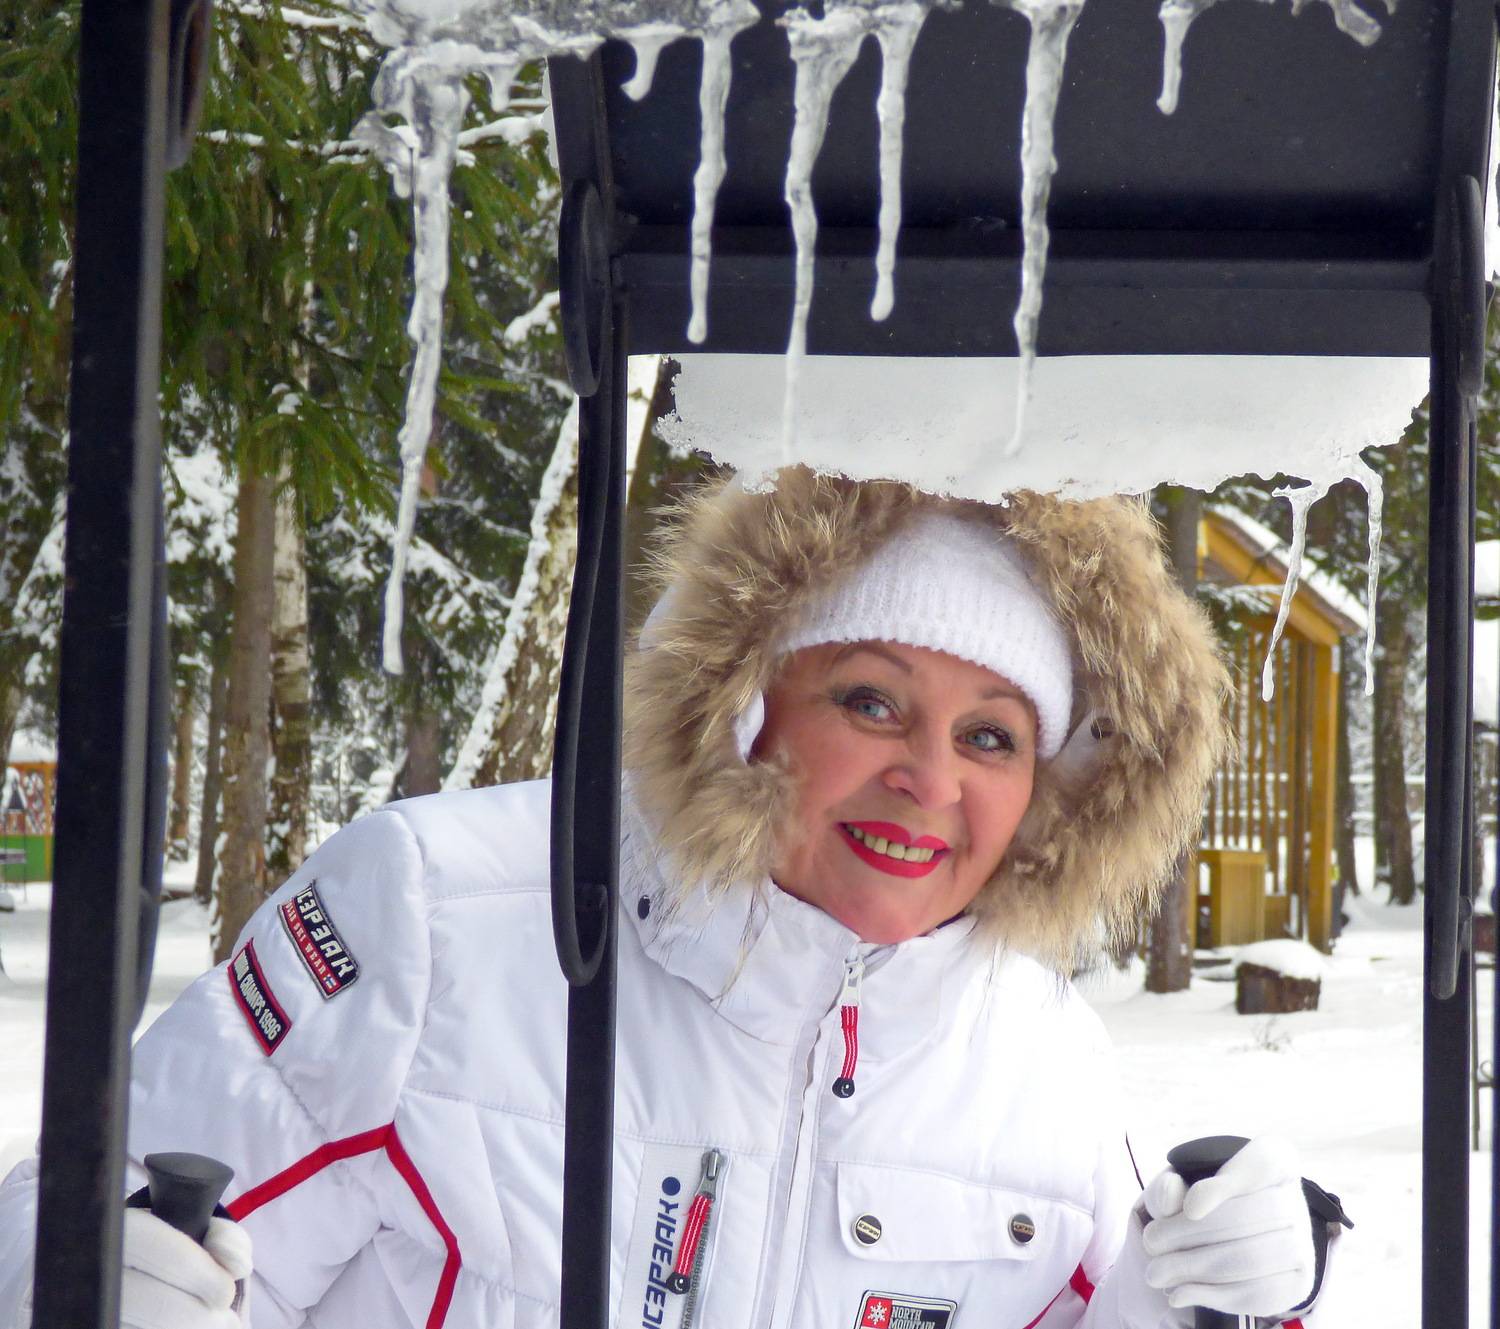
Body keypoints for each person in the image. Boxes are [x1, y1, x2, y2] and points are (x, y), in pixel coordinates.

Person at [0, 468, 1346, 1329]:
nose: (930, 780)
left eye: (991, 736)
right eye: (870, 701)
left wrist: (1198, 1293)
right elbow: (82, 1217)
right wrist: (97, 1284)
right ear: (750, 707)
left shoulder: (1040, 1055)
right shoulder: (441, 917)